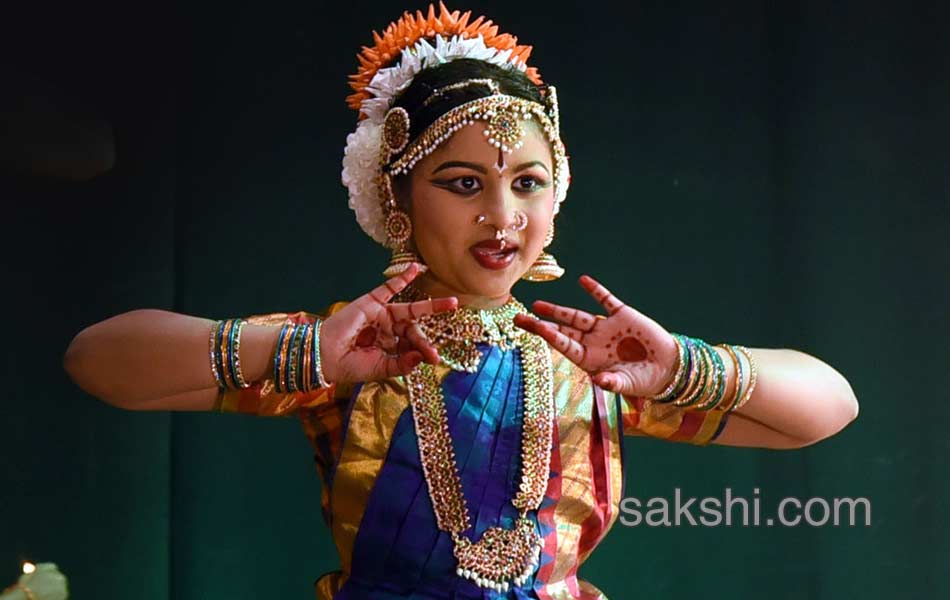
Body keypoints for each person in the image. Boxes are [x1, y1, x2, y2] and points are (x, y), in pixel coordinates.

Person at [63, 4, 859, 598]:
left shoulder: (592, 358)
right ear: (398, 201)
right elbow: (97, 359)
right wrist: (301, 354)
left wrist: (683, 367)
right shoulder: (354, 345)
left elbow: (831, 407)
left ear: (558, 199)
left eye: (528, 183)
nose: (502, 215)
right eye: (463, 184)